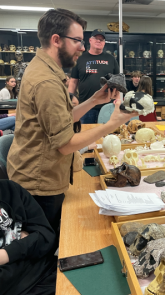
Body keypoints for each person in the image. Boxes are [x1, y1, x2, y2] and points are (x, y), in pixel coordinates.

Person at [7, 8, 137, 235]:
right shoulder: (46, 81)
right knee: (45, 247)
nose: (83, 47)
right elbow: (65, 143)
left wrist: (95, 99)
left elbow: (64, 118)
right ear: (56, 40)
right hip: (39, 184)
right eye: (77, 40)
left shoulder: (46, 69)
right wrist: (111, 124)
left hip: (40, 176)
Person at [0, 179, 57, 295]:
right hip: (16, 292)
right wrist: (27, 240)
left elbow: (47, 236)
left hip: (50, 271)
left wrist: (5, 254)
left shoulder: (10, 189)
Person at [69, 28, 119, 124]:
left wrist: (119, 99)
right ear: (90, 40)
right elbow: (73, 81)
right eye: (96, 38)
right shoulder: (80, 58)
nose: (99, 41)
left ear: (104, 43)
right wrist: (69, 98)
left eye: (101, 39)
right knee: (85, 135)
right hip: (85, 106)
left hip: (107, 105)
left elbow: (118, 81)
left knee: (107, 135)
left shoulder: (111, 59)